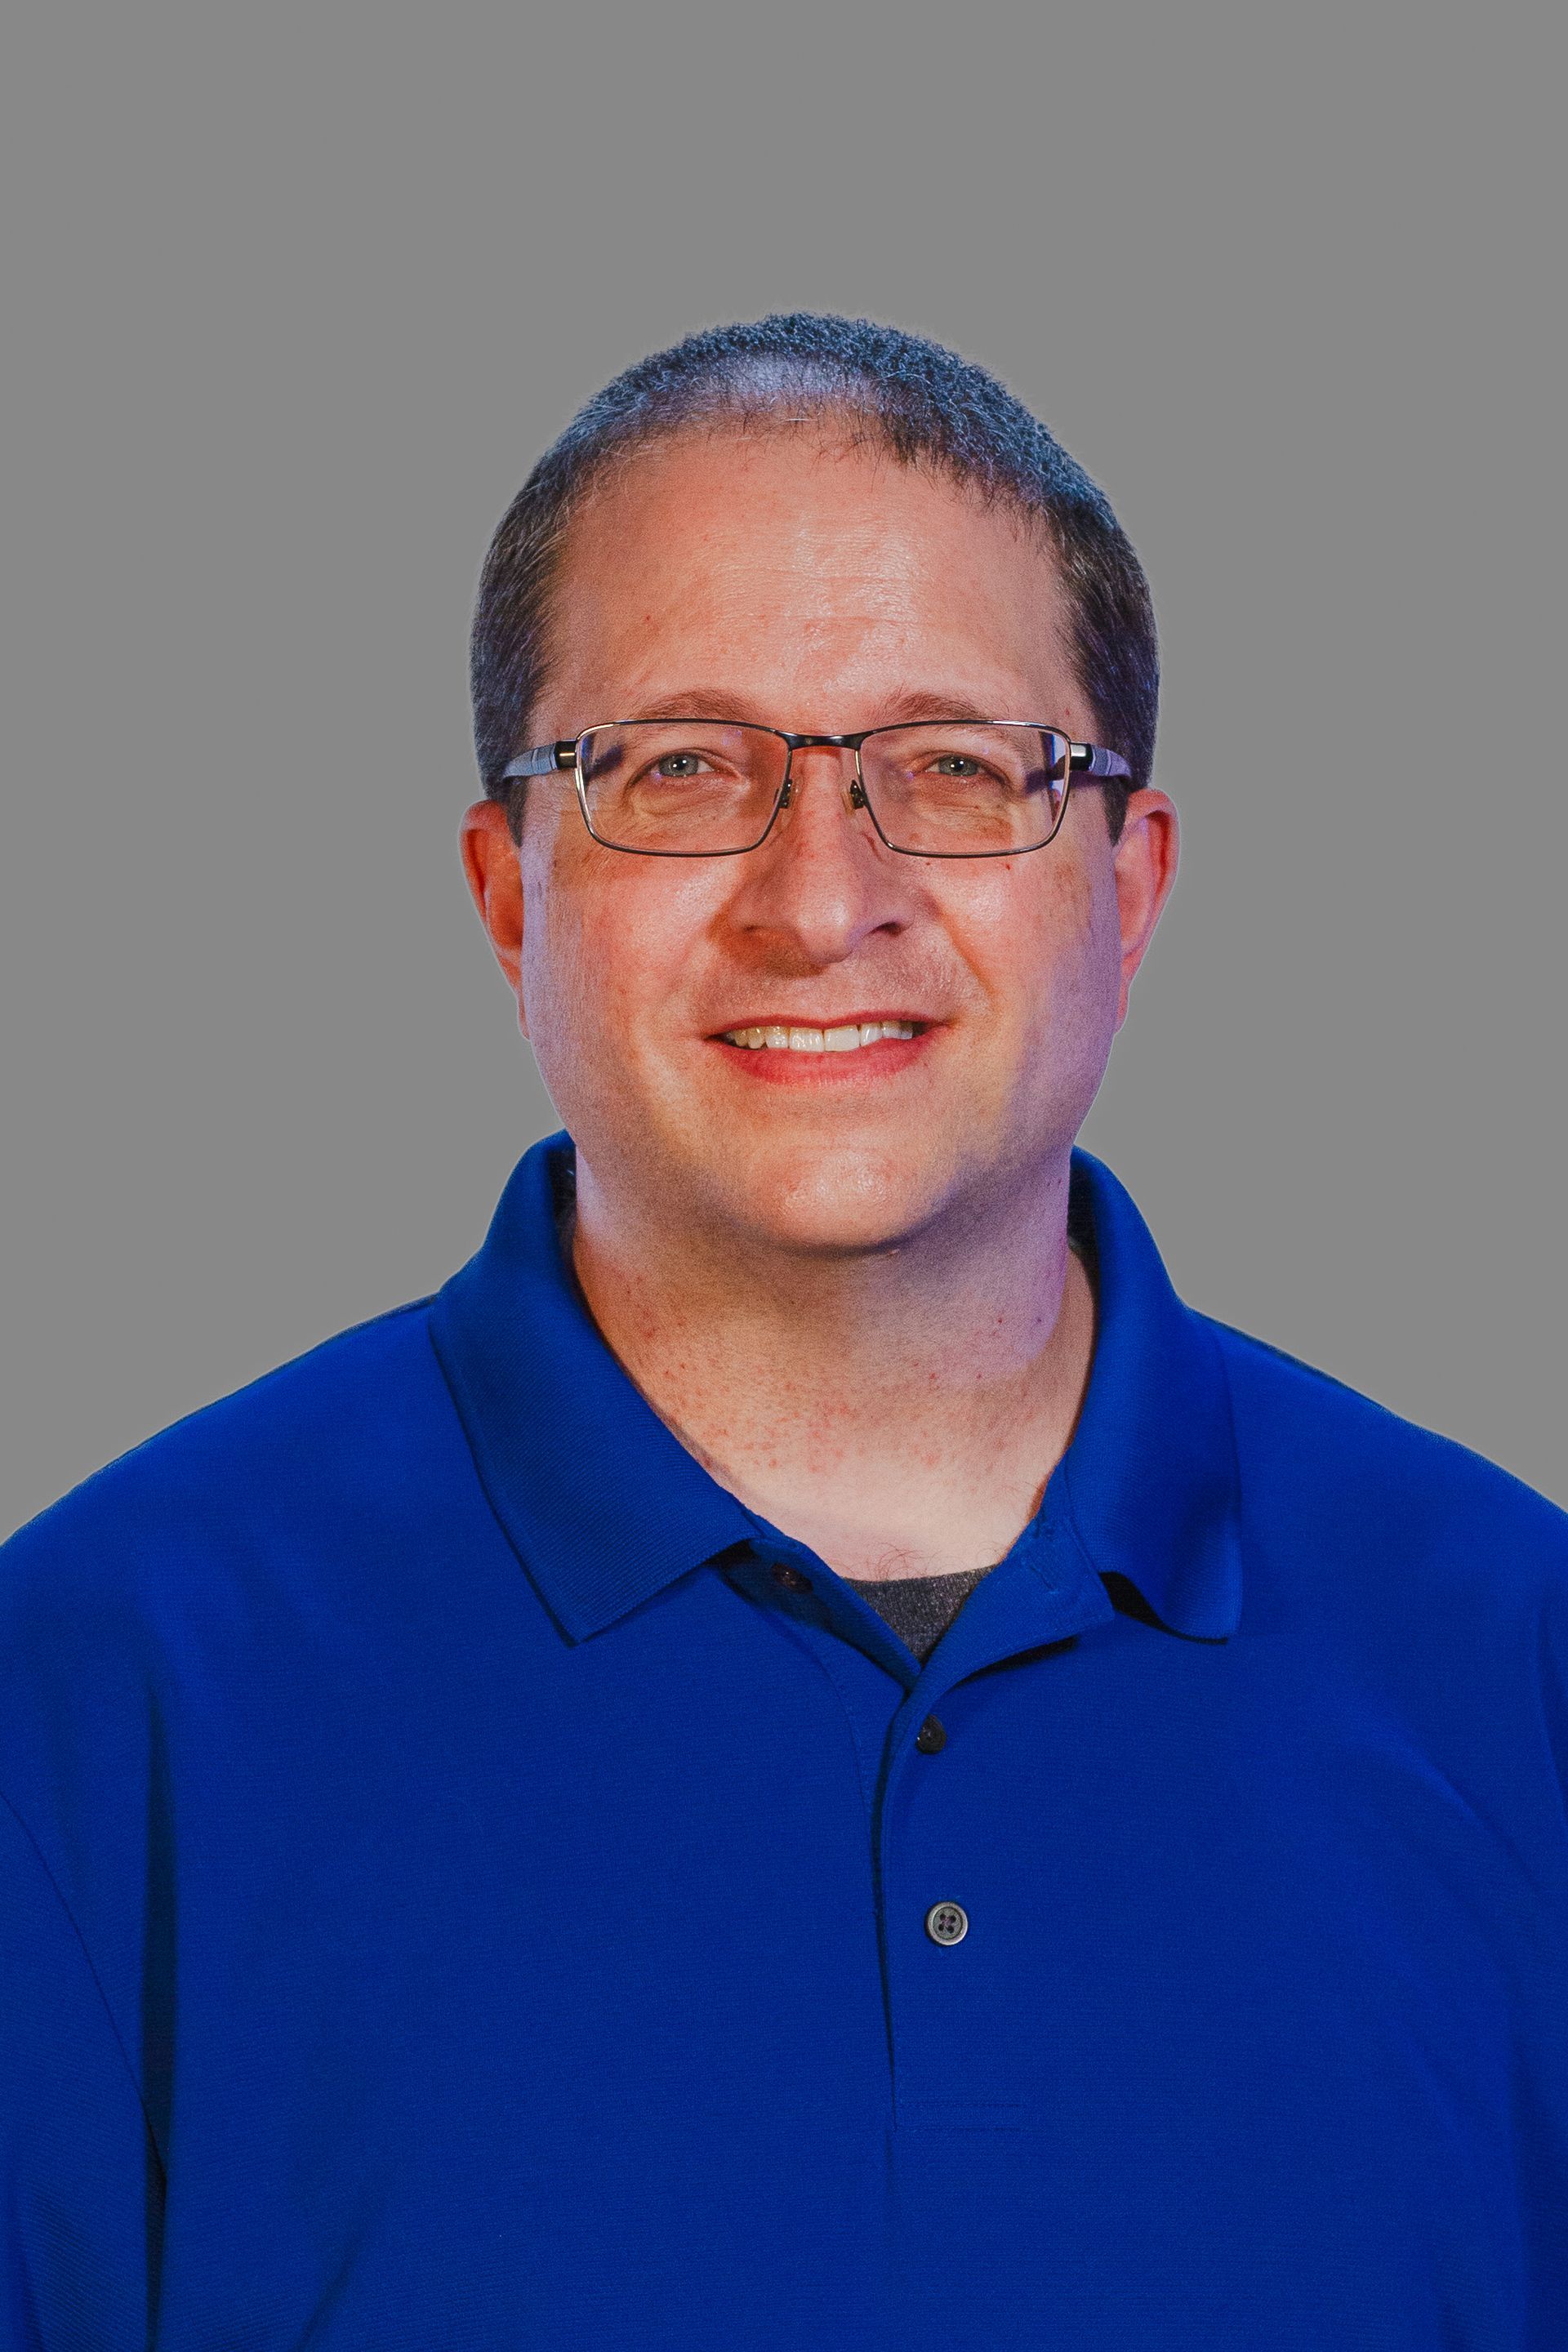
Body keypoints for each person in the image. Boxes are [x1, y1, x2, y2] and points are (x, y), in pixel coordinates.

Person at [2, 313, 1564, 2352]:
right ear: (508, 890)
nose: (822, 897)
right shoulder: (91, 1690)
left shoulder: (1517, 1659)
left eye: (952, 768)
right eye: (678, 769)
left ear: (1131, 881)